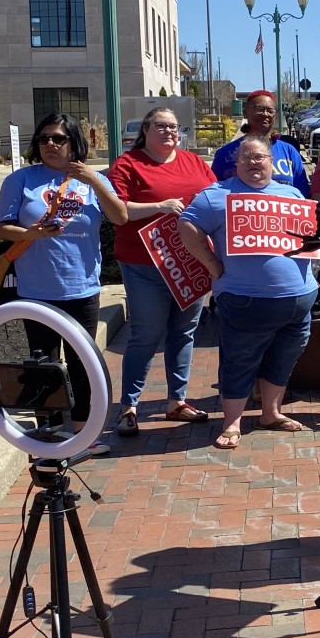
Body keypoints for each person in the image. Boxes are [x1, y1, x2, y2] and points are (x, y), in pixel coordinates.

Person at [0, 114, 129, 449]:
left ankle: (84, 433)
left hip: (81, 287)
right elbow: (2, 228)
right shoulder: (21, 180)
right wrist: (32, 233)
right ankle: (51, 434)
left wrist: (95, 181)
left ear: (74, 142)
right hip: (36, 290)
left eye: (58, 138)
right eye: (43, 139)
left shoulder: (92, 181)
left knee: (83, 363)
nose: (50, 145)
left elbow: (120, 217)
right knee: (43, 364)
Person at [179, 136, 318, 451]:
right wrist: (213, 265)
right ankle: (232, 422)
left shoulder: (292, 194)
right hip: (245, 299)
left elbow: (307, 240)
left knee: (284, 358)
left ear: (271, 161)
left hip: (298, 301)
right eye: (247, 158)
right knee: (239, 361)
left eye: (260, 157)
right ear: (236, 163)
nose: (255, 163)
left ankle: (270, 413)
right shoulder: (217, 196)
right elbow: (187, 226)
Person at [107, 107, 217, 437]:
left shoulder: (194, 162)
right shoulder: (128, 164)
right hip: (145, 264)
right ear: (146, 129)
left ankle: (177, 402)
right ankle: (128, 406)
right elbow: (117, 212)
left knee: (184, 332)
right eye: (161, 126)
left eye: (174, 126)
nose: (169, 131)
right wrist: (160, 205)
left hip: (190, 262)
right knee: (146, 334)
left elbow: (214, 196)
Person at [212, 90, 309, 196]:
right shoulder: (225, 154)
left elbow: (303, 191)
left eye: (270, 110)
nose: (265, 114)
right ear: (245, 112)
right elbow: (216, 192)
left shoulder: (289, 151)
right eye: (259, 109)